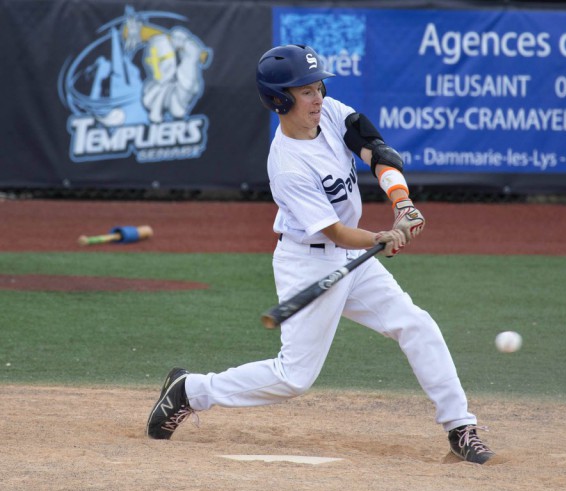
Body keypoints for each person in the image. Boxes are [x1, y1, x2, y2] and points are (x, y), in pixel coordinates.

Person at [146, 44, 494, 464]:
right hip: (309, 262)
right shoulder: (288, 165)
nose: (318, 98)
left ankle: (460, 426)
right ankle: (192, 390)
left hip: (349, 257)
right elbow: (336, 233)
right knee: (293, 378)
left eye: (318, 87)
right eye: (306, 91)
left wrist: (401, 202)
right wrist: (381, 237)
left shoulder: (327, 114)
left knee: (415, 324)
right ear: (279, 99)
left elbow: (374, 149)